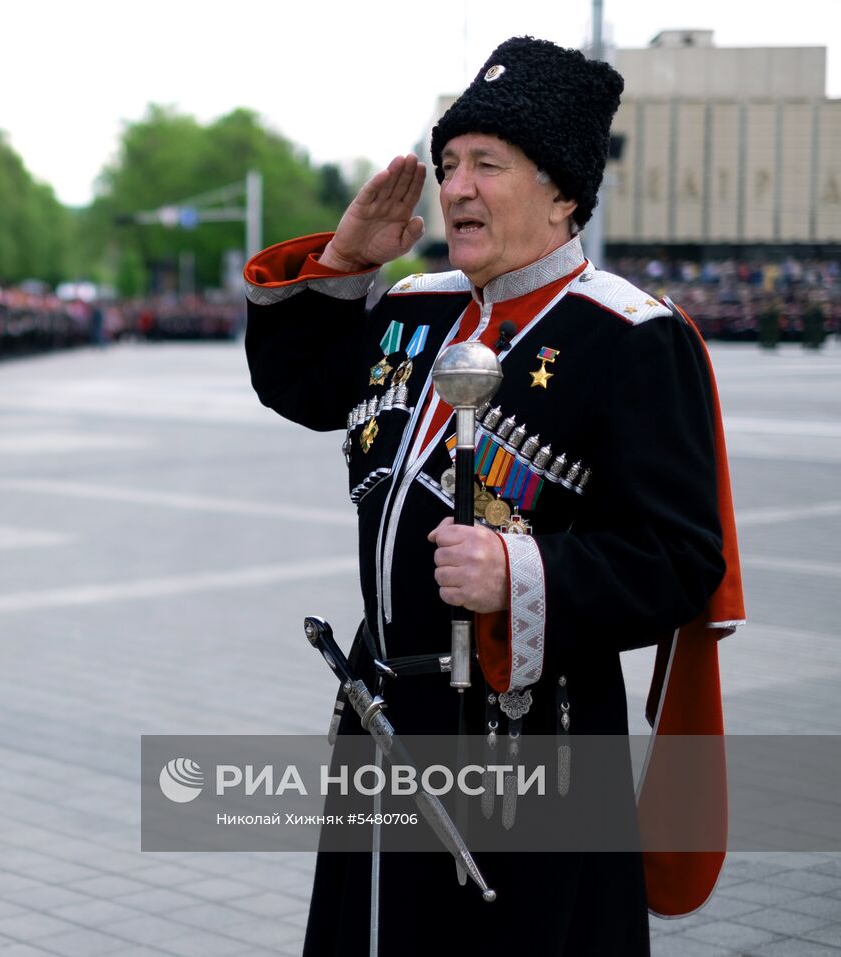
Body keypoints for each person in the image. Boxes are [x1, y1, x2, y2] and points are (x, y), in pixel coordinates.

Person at [244, 36, 743, 955]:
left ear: (562, 194)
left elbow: (680, 557)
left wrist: (524, 567)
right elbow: (300, 387)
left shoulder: (632, 338)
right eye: (447, 164)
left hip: (529, 740)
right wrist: (349, 261)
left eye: (486, 164)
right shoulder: (414, 307)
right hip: (386, 719)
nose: (457, 187)